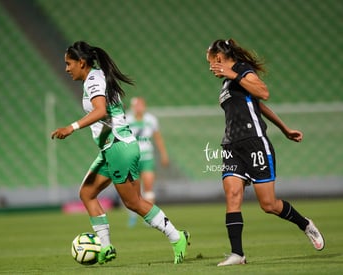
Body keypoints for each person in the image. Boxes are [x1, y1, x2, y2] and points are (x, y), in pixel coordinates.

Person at [51, 41, 190, 265]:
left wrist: (72, 127)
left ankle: (177, 237)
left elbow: (100, 111)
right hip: (113, 148)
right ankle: (105, 247)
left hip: (119, 147)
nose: (67, 68)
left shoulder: (94, 80)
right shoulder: (96, 76)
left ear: (81, 62)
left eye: (69, 63)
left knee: (133, 202)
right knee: (87, 193)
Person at [205, 39, 325, 266]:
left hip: (254, 143)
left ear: (219, 58)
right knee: (232, 195)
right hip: (231, 145)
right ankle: (237, 254)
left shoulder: (241, 71)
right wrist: (285, 128)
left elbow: (263, 92)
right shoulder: (227, 84)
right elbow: (258, 105)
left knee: (268, 205)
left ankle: (305, 224)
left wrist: (233, 74)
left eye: (210, 61)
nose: (210, 66)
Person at [126, 97, 169, 227]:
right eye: (136, 105)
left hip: (147, 157)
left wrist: (163, 154)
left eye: (141, 105)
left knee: (149, 187)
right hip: (131, 158)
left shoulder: (151, 119)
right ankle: (133, 216)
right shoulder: (126, 119)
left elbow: (158, 138)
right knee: (132, 189)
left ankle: (149, 218)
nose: (139, 107)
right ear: (132, 107)